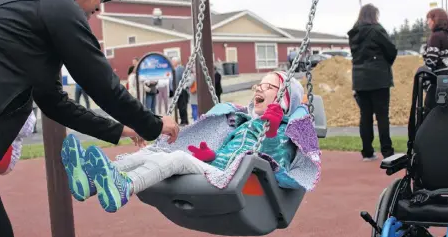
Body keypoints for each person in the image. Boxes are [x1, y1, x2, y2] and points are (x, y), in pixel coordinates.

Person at [0, 0, 179, 237]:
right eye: (97, 1)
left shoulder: (7, 6)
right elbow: (101, 84)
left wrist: (119, 130)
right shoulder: (56, 4)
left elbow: (54, 103)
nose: (96, 12)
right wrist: (156, 125)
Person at [61, 71, 317, 213]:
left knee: (177, 158)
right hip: (219, 170)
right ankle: (91, 181)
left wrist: (271, 132)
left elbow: (278, 166)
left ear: (285, 99)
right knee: (156, 154)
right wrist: (210, 155)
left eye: (269, 86)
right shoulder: (244, 122)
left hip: (245, 186)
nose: (259, 89)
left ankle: (125, 187)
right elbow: (231, 151)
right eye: (258, 85)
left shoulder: (285, 130)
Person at [347, 3, 397, 162]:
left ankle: (367, 152)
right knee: (382, 116)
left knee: (365, 116)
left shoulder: (354, 33)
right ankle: (387, 152)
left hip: (360, 79)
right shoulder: (377, 30)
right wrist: (385, 63)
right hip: (378, 78)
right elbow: (391, 50)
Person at [172, 57, 189, 125]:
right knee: (180, 106)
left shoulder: (180, 69)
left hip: (182, 91)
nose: (172, 63)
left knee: (182, 107)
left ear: (176, 62)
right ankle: (183, 120)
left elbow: (178, 80)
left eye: (173, 61)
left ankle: (184, 121)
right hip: (179, 91)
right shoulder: (176, 69)